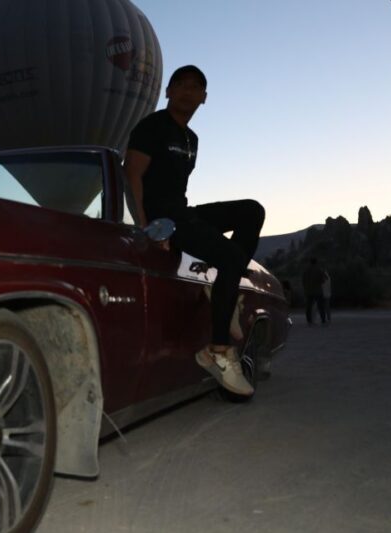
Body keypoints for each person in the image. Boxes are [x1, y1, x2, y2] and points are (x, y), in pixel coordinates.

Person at [124, 65, 265, 396]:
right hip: (164, 221)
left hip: (183, 213)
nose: (187, 91)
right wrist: (146, 229)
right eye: (180, 85)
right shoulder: (152, 126)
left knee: (251, 210)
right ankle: (216, 351)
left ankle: (223, 292)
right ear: (168, 91)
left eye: (195, 87)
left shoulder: (191, 139)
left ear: (204, 98)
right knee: (229, 258)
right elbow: (131, 176)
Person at [302, 257, 327, 325]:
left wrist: (305, 287)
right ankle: (323, 320)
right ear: (316, 262)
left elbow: (303, 281)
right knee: (321, 306)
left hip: (309, 291)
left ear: (310, 262)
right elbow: (323, 280)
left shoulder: (306, 270)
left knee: (308, 307)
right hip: (318, 291)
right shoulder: (319, 270)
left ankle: (309, 321)